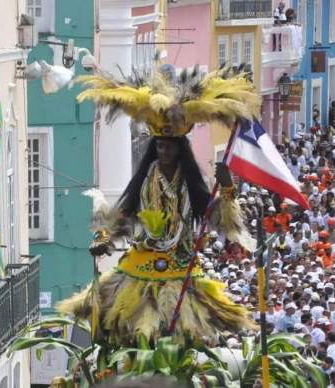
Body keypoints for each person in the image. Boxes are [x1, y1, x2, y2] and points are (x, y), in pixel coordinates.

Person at [57, 66, 260, 344]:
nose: (164, 151)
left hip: (180, 263)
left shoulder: (190, 185)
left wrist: (227, 190)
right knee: (121, 324)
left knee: (188, 333)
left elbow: (220, 220)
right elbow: (123, 215)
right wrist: (104, 239)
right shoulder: (144, 181)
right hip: (141, 262)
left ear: (181, 149)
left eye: (170, 146)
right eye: (160, 146)